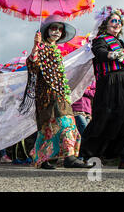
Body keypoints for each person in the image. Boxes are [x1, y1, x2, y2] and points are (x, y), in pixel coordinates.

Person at [80, 7, 124, 169]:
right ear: (105, 23)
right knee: (105, 117)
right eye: (113, 21)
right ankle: (89, 155)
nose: (117, 24)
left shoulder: (120, 43)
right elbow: (99, 52)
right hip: (110, 84)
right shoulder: (100, 40)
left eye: (119, 22)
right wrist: (111, 55)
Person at [22, 15, 92, 169]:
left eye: (60, 29)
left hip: (60, 93)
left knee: (67, 122)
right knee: (48, 126)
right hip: (46, 94)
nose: (57, 32)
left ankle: (68, 157)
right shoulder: (41, 47)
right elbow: (32, 63)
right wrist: (35, 45)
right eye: (54, 28)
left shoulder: (56, 51)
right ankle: (44, 159)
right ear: (47, 30)